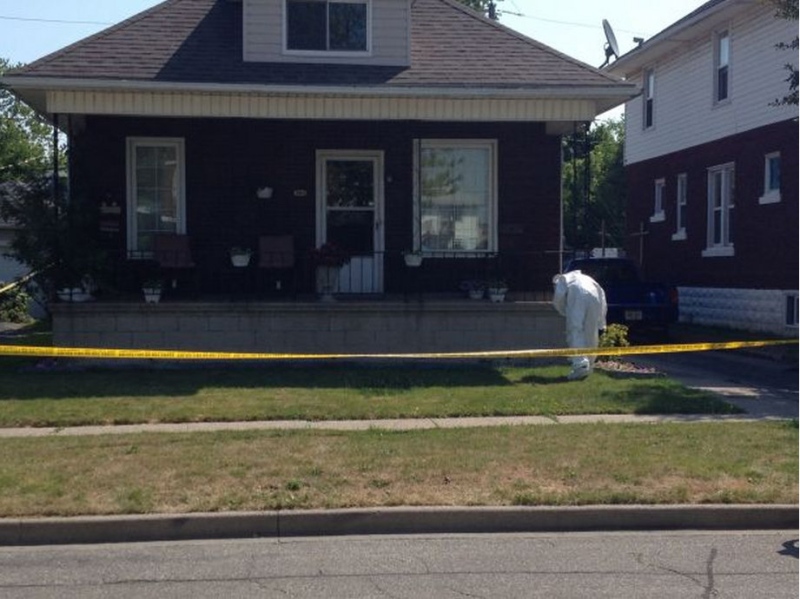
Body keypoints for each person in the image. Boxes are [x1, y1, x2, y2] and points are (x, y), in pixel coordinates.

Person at [552, 270, 608, 380]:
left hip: (577, 295)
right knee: (591, 331)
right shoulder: (589, 279)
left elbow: (558, 299)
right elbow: (602, 297)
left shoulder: (562, 279)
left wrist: (564, 311)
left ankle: (580, 364)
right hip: (594, 296)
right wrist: (601, 321)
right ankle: (590, 364)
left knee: (575, 330)